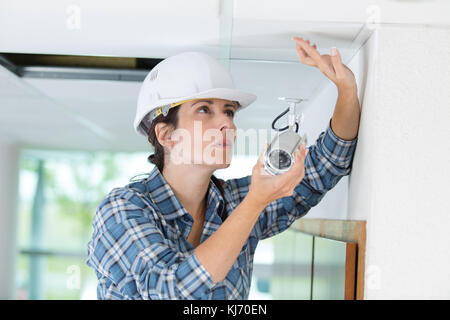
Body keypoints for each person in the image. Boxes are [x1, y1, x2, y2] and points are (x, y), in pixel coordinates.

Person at [86, 37, 360, 300]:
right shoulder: (122, 211)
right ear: (166, 135)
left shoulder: (235, 202)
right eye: (204, 110)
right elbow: (174, 292)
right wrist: (253, 204)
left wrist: (346, 88)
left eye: (228, 111)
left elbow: (326, 165)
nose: (227, 124)